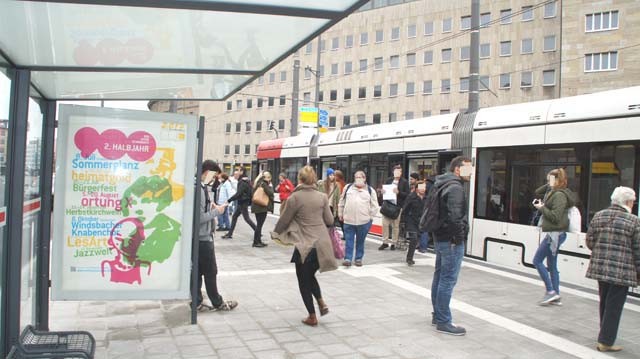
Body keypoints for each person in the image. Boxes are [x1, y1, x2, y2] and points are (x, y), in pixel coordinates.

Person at [272, 166, 337, 327]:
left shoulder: (295, 198)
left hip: (305, 245)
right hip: (322, 245)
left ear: (300, 179)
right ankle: (321, 302)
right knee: (310, 275)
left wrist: (275, 233)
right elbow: (329, 221)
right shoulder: (322, 197)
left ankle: (312, 316)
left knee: (303, 280)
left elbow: (284, 220)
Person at [585, 186, 640, 352]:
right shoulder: (633, 221)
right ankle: (606, 342)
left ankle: (604, 334)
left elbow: (590, 241)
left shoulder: (599, 215)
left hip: (600, 268)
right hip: (622, 271)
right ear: (628, 202)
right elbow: (638, 249)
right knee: (614, 306)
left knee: (605, 302)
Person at [431, 156, 472, 336]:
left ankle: (437, 314)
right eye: (467, 168)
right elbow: (455, 218)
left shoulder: (442, 183)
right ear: (457, 169)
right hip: (451, 241)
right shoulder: (455, 188)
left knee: (440, 276)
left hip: (441, 237)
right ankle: (443, 321)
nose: (470, 172)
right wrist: (460, 238)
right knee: (448, 279)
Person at [194, 160, 237, 312]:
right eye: (213, 176)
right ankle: (217, 302)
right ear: (207, 172)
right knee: (211, 271)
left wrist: (210, 205)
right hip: (203, 237)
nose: (213, 180)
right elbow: (199, 218)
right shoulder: (198, 188)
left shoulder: (199, 186)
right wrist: (217, 211)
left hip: (197, 238)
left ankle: (197, 302)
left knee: (197, 272)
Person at [532, 168, 576, 306]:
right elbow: (537, 192)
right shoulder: (554, 191)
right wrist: (550, 183)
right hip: (555, 234)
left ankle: (550, 291)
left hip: (555, 234)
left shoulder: (559, 195)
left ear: (558, 180)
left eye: (550, 179)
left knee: (537, 260)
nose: (548, 182)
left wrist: (541, 208)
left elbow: (555, 217)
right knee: (552, 265)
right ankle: (556, 295)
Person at [338, 171, 379, 267]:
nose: (358, 179)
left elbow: (375, 206)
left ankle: (358, 258)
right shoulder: (348, 188)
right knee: (349, 240)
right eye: (356, 177)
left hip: (364, 221)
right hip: (349, 220)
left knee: (360, 241)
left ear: (364, 178)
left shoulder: (370, 190)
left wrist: (370, 217)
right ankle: (348, 258)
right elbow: (341, 201)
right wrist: (340, 213)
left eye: (360, 177)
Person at [379, 165, 410, 251]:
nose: (397, 173)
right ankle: (385, 242)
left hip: (397, 207)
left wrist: (399, 193)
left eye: (399, 171)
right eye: (396, 171)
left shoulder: (404, 182)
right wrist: (383, 192)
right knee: (385, 224)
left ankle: (394, 243)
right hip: (387, 205)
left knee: (395, 226)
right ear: (393, 172)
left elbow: (407, 194)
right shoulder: (389, 180)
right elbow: (384, 190)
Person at [222, 169, 257, 240]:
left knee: (247, 219)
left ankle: (257, 231)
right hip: (243, 202)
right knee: (235, 217)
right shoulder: (246, 181)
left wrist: (229, 200)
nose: (234, 176)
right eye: (234, 174)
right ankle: (230, 234)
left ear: (239, 175)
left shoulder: (241, 182)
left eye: (236, 174)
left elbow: (239, 193)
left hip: (242, 203)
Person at [402, 181, 427, 266]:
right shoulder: (411, 197)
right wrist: (403, 221)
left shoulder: (426, 198)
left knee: (417, 239)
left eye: (424, 187)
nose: (423, 189)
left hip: (421, 221)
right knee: (414, 239)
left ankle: (410, 256)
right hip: (411, 220)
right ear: (416, 188)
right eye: (421, 187)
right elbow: (405, 209)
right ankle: (409, 258)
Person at [251, 171, 274, 248]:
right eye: (269, 177)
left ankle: (258, 241)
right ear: (266, 177)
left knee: (259, 224)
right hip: (261, 207)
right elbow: (270, 193)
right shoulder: (264, 184)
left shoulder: (258, 182)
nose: (269, 179)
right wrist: (270, 186)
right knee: (259, 225)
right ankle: (256, 242)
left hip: (257, 206)